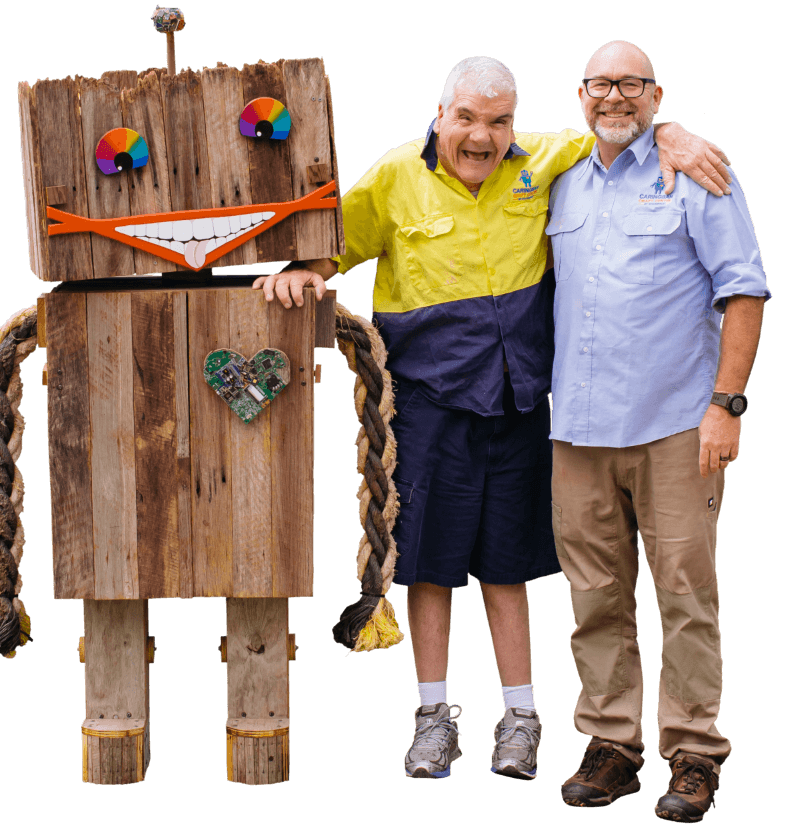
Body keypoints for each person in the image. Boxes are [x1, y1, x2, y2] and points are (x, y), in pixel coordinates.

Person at [253, 56, 732, 781]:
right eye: (468, 119)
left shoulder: (542, 157)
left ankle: (520, 721)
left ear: (515, 124)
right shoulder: (393, 175)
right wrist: (305, 273)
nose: (482, 137)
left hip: (520, 406)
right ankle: (433, 720)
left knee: (509, 567)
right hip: (428, 405)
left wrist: (672, 133)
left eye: (498, 122)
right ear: (440, 114)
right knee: (431, 569)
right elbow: (330, 247)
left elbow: (617, 127)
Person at [547, 41, 768, 820]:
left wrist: (726, 405)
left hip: (678, 425)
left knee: (685, 593)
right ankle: (611, 744)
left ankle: (695, 752)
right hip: (576, 431)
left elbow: (745, 291)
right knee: (596, 595)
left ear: (655, 93)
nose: (615, 96)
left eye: (630, 85)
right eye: (602, 84)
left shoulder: (697, 172)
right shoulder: (559, 180)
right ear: (580, 96)